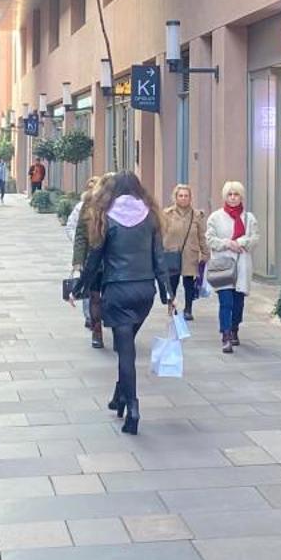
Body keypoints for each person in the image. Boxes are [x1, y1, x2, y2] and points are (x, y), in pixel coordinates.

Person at [77, 172, 174, 435]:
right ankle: (119, 396)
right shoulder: (151, 215)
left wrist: (80, 286)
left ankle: (133, 407)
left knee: (126, 353)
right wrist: (167, 291)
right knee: (126, 345)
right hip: (145, 291)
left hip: (118, 290)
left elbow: (95, 257)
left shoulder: (106, 216)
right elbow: (159, 257)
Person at [206, 179, 259, 352]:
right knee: (225, 301)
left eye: (236, 194)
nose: (233, 198)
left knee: (238, 303)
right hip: (223, 264)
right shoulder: (215, 217)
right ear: (225, 196)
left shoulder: (249, 218)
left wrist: (242, 241)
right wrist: (227, 243)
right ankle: (226, 334)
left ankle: (235, 328)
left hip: (242, 264)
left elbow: (255, 239)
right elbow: (210, 240)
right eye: (230, 194)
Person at [68, 176, 106, 348]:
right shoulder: (87, 206)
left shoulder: (117, 207)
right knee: (94, 297)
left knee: (112, 297)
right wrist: (78, 263)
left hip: (114, 261)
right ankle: (97, 330)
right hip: (93, 260)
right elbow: (80, 237)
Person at [162, 184, 208, 320]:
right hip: (172, 253)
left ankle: (188, 309)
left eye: (186, 196)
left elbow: (202, 236)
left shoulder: (197, 215)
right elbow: (160, 234)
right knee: (172, 282)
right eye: (180, 195)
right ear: (175, 197)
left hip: (190, 253)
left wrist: (205, 253)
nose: (183, 198)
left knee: (189, 283)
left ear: (190, 198)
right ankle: (172, 307)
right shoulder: (166, 214)